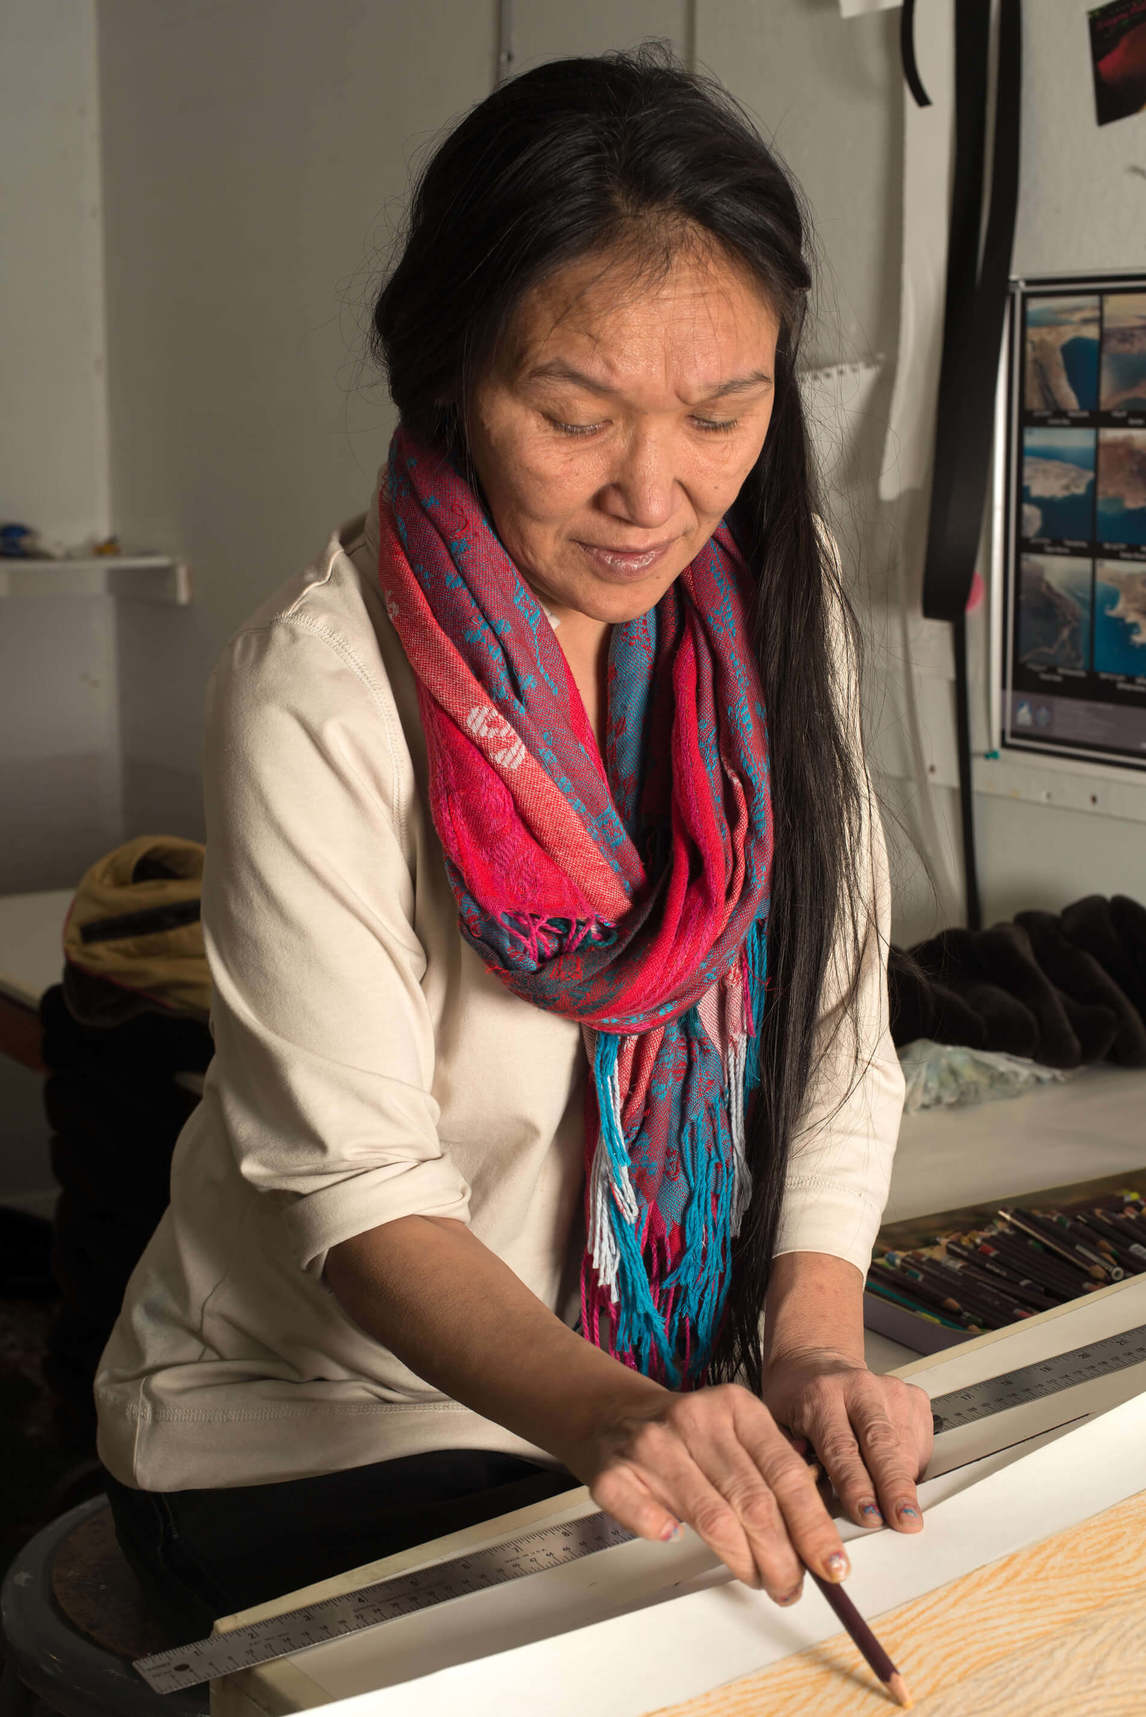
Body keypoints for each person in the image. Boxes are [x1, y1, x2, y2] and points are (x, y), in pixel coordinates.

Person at [95, 45, 931, 1643]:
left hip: (654, 1386)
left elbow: (832, 1030)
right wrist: (620, 1418)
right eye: (570, 413)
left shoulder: (771, 598)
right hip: (313, 1422)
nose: (652, 490)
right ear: (448, 374)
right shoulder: (323, 695)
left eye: (720, 411)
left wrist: (816, 1346)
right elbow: (359, 1191)